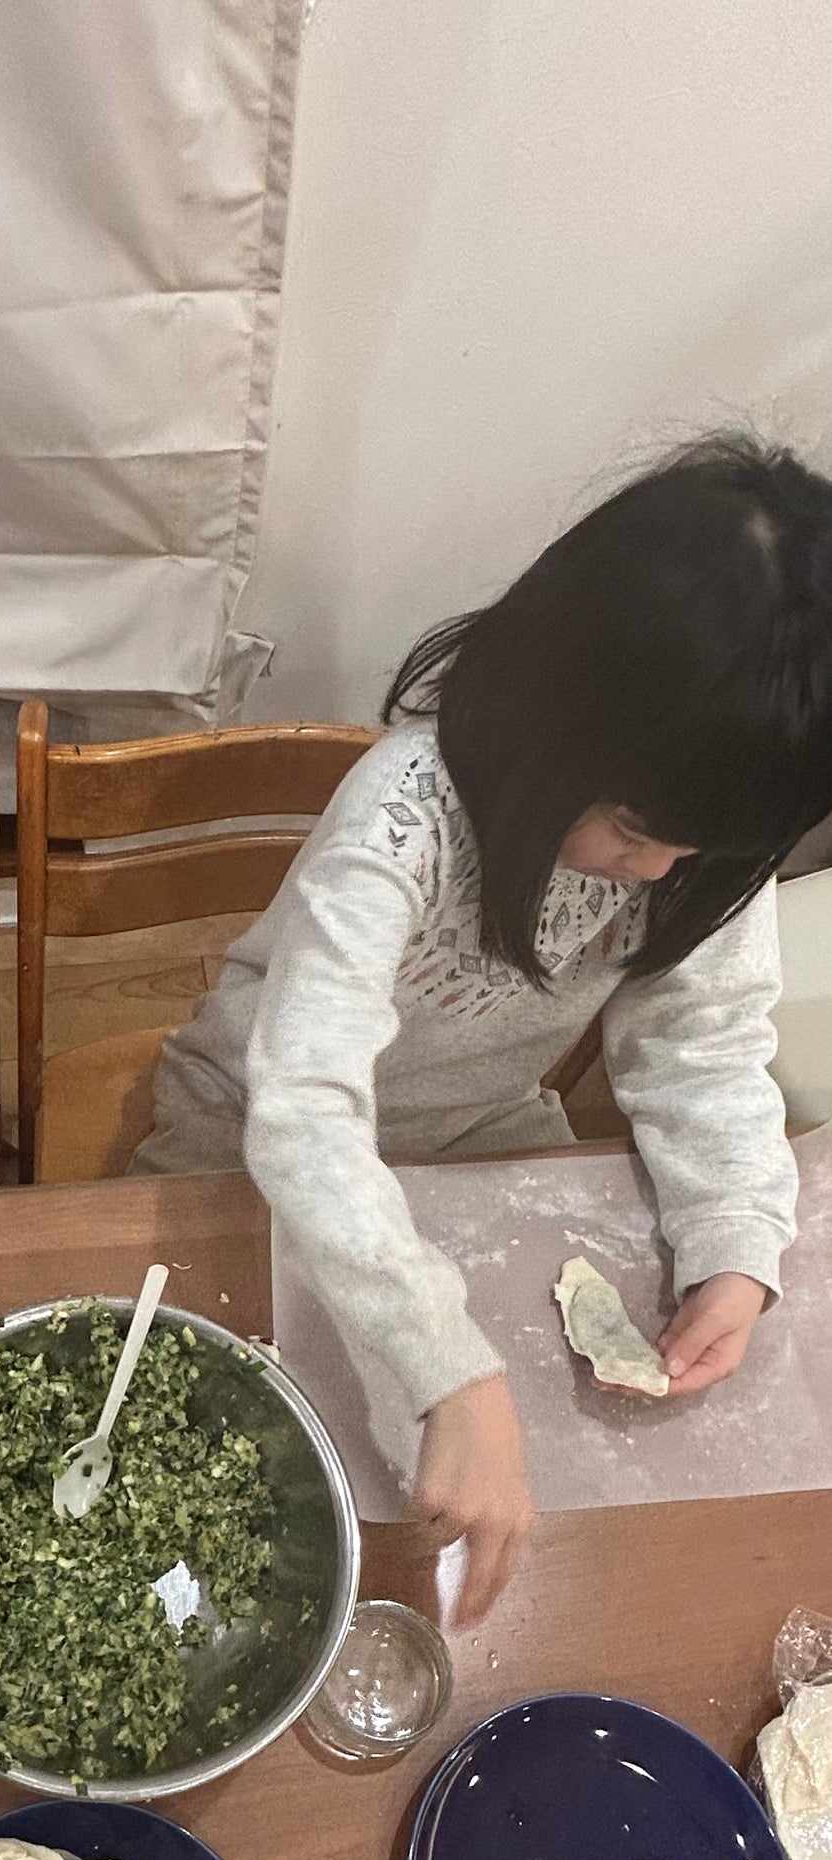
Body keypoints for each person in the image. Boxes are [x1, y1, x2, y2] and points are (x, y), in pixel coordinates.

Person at [137, 436, 832, 1621]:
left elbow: (699, 1042)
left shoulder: (699, 839)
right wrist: (443, 1366)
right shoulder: (401, 817)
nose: (654, 870)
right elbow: (301, 1109)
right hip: (241, 1126)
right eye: (628, 829)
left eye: (696, 850)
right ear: (550, 711)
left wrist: (731, 1236)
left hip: (477, 1134)